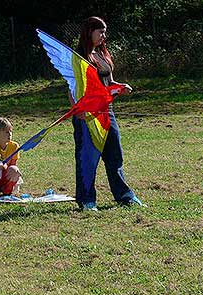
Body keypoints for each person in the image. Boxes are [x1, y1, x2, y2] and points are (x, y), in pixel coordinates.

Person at [70, 16, 142, 211]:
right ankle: (87, 200)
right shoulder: (79, 57)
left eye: (104, 31)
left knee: (114, 155)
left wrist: (120, 87)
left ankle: (124, 196)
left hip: (106, 111)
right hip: (86, 114)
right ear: (89, 32)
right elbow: (72, 86)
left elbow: (108, 84)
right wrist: (78, 109)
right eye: (100, 31)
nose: (104, 35)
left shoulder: (102, 55)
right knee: (88, 158)